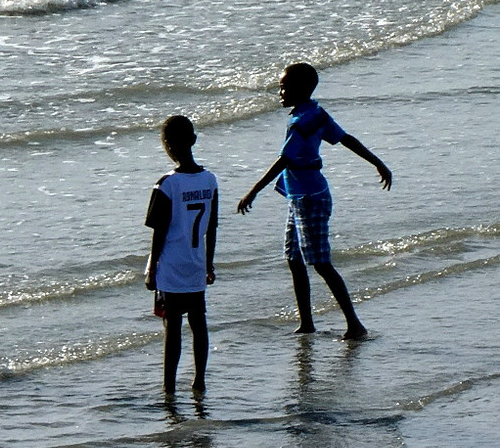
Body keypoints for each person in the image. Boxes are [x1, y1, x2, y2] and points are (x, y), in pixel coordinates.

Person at [236, 63, 392, 340]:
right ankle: (306, 322)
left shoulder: (304, 121)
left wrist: (254, 190)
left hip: (310, 198)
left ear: (303, 89)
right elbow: (345, 139)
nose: (280, 91)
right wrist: (377, 163)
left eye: (284, 86)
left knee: (320, 263)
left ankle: (354, 324)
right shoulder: (312, 112)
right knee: (294, 259)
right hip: (298, 197)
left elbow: (285, 159)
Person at [145, 116, 219, 395]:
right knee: (199, 322)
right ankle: (199, 379)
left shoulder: (167, 185)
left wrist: (152, 270)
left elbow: (158, 232)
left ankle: (168, 385)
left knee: (172, 326)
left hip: (171, 266)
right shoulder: (209, 180)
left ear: (167, 146)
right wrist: (209, 262)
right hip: (196, 263)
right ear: (193, 140)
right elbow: (212, 225)